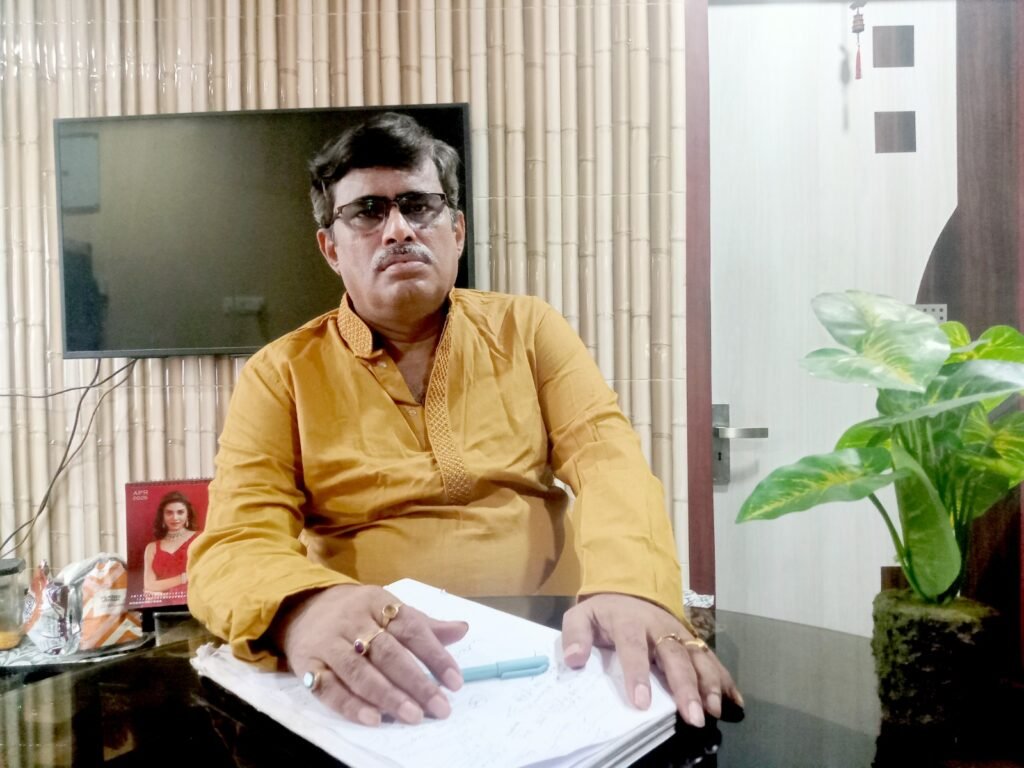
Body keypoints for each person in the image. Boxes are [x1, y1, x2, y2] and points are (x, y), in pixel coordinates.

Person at [187, 111, 742, 729]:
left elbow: (608, 459)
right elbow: (236, 540)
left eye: (418, 205)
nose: (398, 229)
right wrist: (303, 610)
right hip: (374, 661)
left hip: (556, 646)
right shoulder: (280, 373)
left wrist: (629, 587)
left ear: (456, 231)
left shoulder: (528, 329)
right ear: (331, 249)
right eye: (367, 211)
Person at [143, 491, 199, 593]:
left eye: (180, 512)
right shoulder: (151, 548)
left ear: (188, 515)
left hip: (194, 599)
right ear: (162, 516)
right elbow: (149, 585)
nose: (175, 518)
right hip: (162, 602)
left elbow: (205, 575)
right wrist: (184, 577)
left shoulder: (199, 538)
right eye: (169, 513)